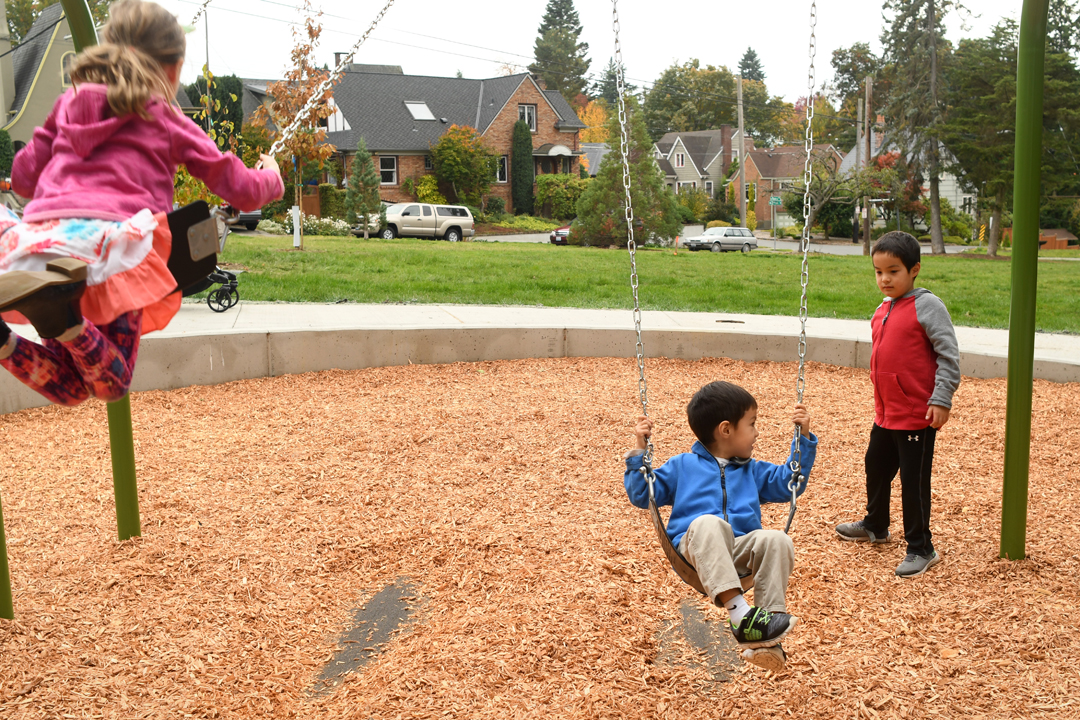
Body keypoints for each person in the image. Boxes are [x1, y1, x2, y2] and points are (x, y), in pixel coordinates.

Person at [0, 0, 283, 406]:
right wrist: (272, 176)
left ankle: (24, 334)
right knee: (111, 384)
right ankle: (66, 321)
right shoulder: (164, 116)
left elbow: (25, 177)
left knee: (71, 389)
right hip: (109, 246)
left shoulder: (67, 105)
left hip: (41, 246)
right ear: (171, 70)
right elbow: (237, 185)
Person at [624, 381, 817, 672]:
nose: (757, 432)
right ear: (726, 430)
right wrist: (639, 451)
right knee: (708, 524)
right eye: (751, 424)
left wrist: (803, 439)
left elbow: (789, 483)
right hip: (696, 550)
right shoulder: (682, 466)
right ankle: (740, 614)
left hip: (736, 553)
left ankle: (768, 633)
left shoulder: (753, 470)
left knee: (777, 539)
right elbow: (642, 495)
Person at [835, 231, 960, 578]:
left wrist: (941, 399)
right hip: (886, 414)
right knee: (875, 467)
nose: (885, 279)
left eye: (893, 271)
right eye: (878, 272)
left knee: (913, 483)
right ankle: (876, 525)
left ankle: (921, 547)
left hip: (916, 415)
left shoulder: (928, 306)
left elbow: (948, 355)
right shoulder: (883, 308)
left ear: (914, 269)